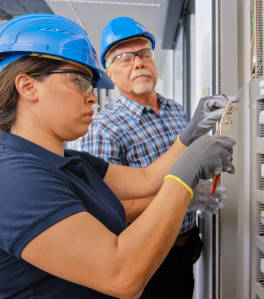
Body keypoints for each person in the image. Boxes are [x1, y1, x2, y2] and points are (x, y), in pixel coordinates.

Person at [0, 13, 235, 299]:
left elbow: (147, 178)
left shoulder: (72, 163)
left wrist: (189, 135)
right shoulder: (8, 181)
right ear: (28, 86)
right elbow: (122, 275)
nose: (92, 97)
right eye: (79, 81)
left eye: (90, 86)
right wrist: (185, 176)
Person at [81, 17, 226, 298]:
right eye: (124, 57)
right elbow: (106, 210)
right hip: (147, 257)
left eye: (144, 53)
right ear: (109, 73)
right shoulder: (104, 128)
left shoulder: (177, 111)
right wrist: (183, 196)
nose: (138, 63)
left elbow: (188, 166)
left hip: (186, 246)